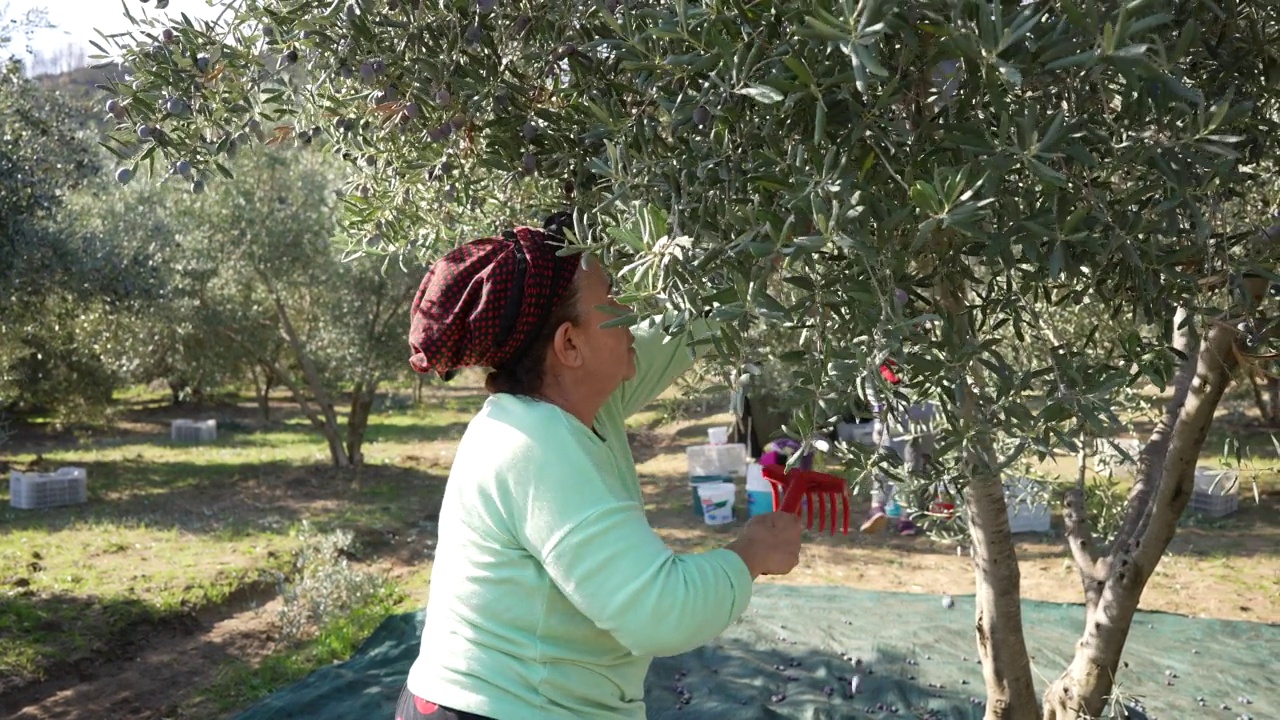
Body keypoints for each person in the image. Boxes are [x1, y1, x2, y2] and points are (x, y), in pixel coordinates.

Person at [396, 214, 805, 720]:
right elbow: (659, 611)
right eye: (611, 300)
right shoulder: (535, 448)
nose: (629, 313)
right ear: (570, 345)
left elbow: (682, 331)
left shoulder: (573, 403)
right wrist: (750, 555)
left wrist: (766, 235)